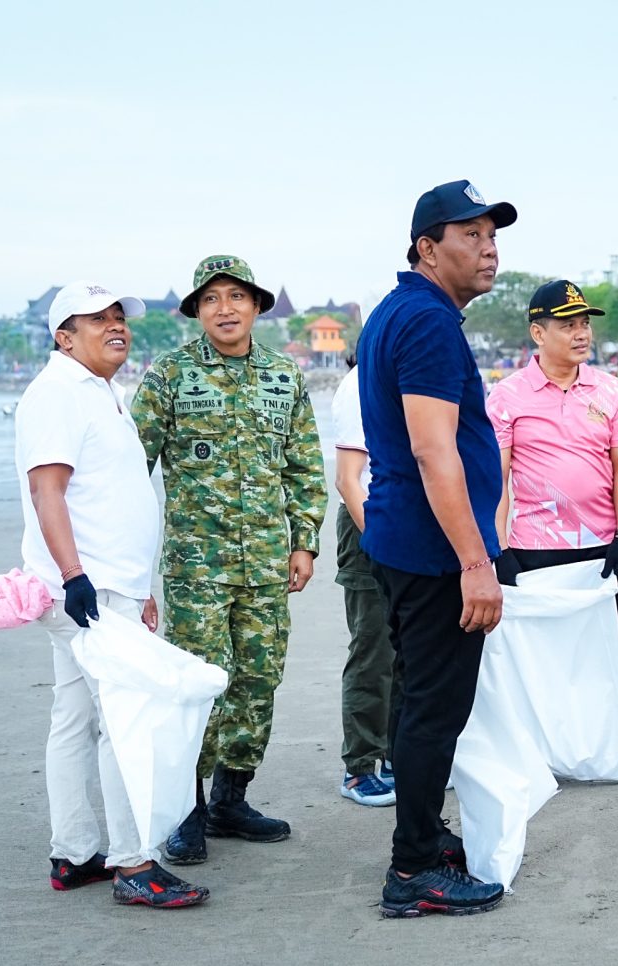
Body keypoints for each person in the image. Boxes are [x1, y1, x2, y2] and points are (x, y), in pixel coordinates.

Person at [131, 256, 327, 864]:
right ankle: (185, 810)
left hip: (268, 563)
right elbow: (130, 471)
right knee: (196, 685)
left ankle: (230, 800)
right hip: (197, 567)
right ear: (196, 310)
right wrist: (131, 569)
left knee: (257, 680)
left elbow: (305, 467)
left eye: (237, 297)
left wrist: (305, 540)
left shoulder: (283, 377)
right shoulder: (170, 376)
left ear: (256, 306)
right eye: (212, 298)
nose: (225, 308)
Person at [17, 281, 208, 908]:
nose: (115, 325)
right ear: (63, 337)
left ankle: (73, 853)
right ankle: (133, 862)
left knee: (74, 719)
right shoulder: (56, 394)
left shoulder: (103, 391)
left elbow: (112, 498)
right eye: (97, 318)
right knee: (125, 721)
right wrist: (76, 579)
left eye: (119, 316)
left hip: (108, 584)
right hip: (87, 589)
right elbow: (49, 491)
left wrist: (138, 585)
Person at [358, 179, 516, 917]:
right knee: (432, 707)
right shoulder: (424, 321)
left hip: (406, 542)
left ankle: (422, 833)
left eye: (492, 236)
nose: (489, 250)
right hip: (433, 553)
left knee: (420, 702)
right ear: (428, 247)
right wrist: (475, 562)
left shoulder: (403, 311)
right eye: (471, 236)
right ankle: (413, 867)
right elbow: (432, 449)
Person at [488, 279, 618, 781]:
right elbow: (497, 476)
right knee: (547, 656)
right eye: (568, 324)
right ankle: (544, 747)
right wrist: (498, 546)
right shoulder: (506, 397)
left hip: (604, 546)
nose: (581, 332)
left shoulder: (609, 390)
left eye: (584, 322)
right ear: (537, 333)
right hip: (534, 547)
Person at [331, 348, 399, 806]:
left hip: (413, 522)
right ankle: (360, 767)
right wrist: (376, 539)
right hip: (369, 524)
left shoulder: (406, 378)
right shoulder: (359, 384)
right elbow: (348, 478)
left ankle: (399, 754)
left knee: (410, 649)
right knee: (373, 650)